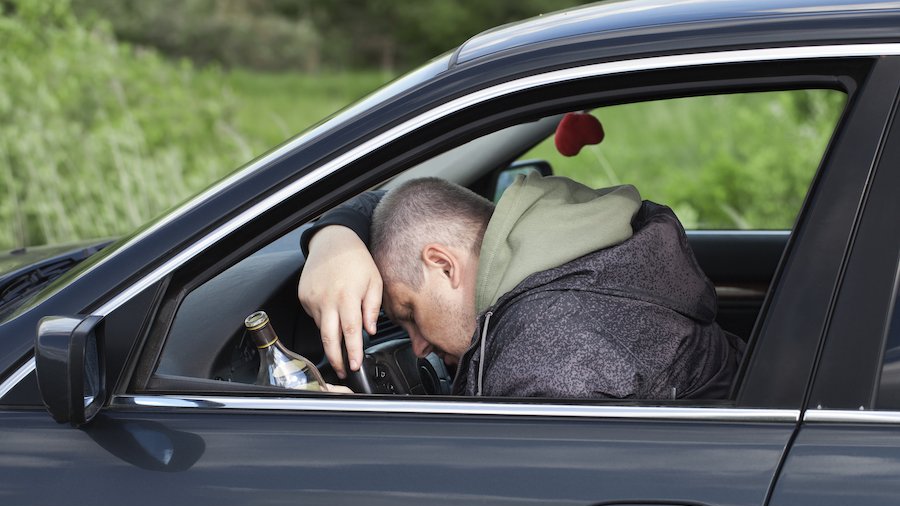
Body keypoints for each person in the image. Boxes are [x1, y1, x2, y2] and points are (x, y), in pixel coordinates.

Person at [299, 173, 744, 398]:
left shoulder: (547, 356)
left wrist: (371, 433)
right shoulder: (588, 252)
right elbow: (404, 204)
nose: (417, 347)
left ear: (443, 266)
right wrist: (334, 242)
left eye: (410, 314)